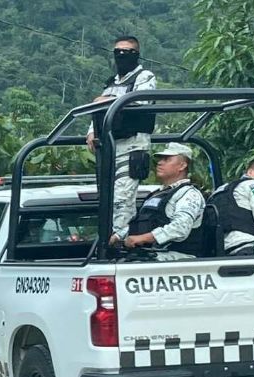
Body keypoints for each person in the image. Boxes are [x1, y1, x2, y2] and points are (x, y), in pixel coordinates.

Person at [85, 35, 157, 244]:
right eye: (118, 52)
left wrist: (107, 101)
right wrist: (92, 132)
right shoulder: (111, 83)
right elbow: (97, 112)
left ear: (136, 54)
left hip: (134, 143)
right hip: (110, 144)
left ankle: (120, 237)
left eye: (127, 52)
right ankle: (107, 233)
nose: (122, 57)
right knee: (107, 194)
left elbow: (140, 100)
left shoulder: (144, 77)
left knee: (124, 195)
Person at [115, 143, 205, 261]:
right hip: (152, 255)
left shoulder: (189, 194)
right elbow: (143, 223)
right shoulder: (156, 194)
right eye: (161, 159)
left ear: (182, 165)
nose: (160, 163)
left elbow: (180, 228)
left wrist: (143, 238)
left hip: (179, 259)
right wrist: (117, 237)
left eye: (167, 159)